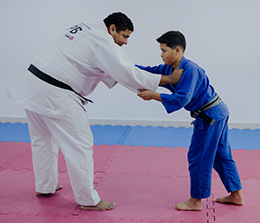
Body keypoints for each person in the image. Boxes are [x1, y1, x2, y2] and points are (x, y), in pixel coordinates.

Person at [17, 13, 183, 211]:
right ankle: (88, 200)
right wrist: (168, 80)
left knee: (42, 139)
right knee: (80, 145)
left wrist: (142, 77)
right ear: (112, 28)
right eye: (124, 36)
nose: (125, 42)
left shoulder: (85, 28)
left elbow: (112, 70)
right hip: (56, 92)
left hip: (32, 85)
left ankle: (44, 186)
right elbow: (125, 72)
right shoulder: (103, 41)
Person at [137, 31, 243, 211]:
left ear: (177, 50)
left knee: (198, 156)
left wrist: (153, 96)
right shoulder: (168, 68)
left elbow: (181, 99)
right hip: (218, 112)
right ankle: (236, 195)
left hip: (209, 116)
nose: (161, 54)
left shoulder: (190, 70)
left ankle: (195, 200)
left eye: (164, 50)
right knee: (221, 155)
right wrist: (123, 67)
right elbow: (148, 71)